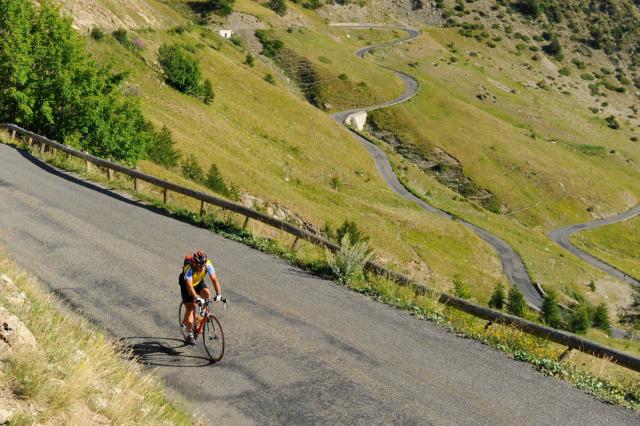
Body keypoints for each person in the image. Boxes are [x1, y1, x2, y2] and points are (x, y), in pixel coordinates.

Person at [179, 250, 222, 345]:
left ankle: (198, 321)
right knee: (191, 307)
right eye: (199, 266)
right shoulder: (189, 269)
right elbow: (189, 286)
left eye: (203, 266)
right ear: (194, 264)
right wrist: (196, 297)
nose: (202, 268)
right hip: (187, 285)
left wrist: (219, 294)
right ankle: (189, 333)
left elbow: (214, 279)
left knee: (207, 296)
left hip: (198, 282)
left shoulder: (208, 265)